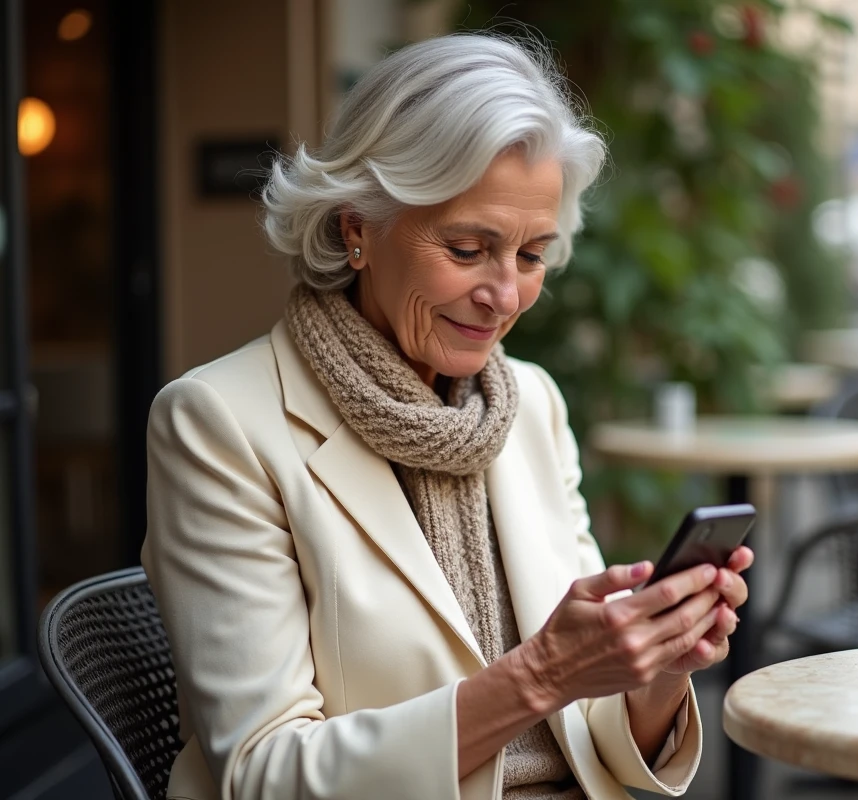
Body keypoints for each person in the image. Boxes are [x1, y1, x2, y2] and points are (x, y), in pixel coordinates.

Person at [142, 33, 752, 800]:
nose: (504, 295)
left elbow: (590, 736)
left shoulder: (530, 404)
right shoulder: (218, 424)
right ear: (354, 226)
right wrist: (540, 676)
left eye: (531, 256)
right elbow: (265, 776)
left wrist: (656, 672)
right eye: (468, 248)